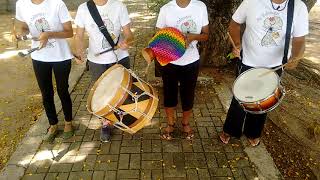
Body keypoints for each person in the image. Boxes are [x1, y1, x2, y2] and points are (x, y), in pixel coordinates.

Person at [220, 0, 309, 146]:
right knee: (240, 100)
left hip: (274, 66)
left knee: (263, 101)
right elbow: (234, 24)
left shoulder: (298, 7)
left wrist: (296, 56)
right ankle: (230, 129)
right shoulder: (251, 1)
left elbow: (299, 39)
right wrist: (236, 44)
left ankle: (253, 132)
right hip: (248, 61)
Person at [15, 0, 74, 142]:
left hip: (61, 56)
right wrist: (20, 33)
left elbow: (69, 32)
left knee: (62, 90)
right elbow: (23, 27)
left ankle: (68, 122)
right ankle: (53, 124)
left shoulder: (57, 3)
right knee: (46, 92)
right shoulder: (21, 4)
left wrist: (49, 34)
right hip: (39, 56)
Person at [74, 0, 134, 142]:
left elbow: (129, 34)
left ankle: (124, 118)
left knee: (124, 90)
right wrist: (78, 51)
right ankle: (106, 123)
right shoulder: (83, 9)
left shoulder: (119, 6)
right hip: (97, 60)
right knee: (101, 94)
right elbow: (79, 35)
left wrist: (127, 42)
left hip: (120, 57)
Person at [156, 0, 209, 140]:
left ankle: (185, 123)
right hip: (169, 61)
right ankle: (170, 124)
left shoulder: (200, 6)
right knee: (169, 93)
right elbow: (158, 35)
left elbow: (206, 35)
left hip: (191, 61)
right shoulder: (166, 9)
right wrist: (173, 43)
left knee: (188, 94)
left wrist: (193, 37)